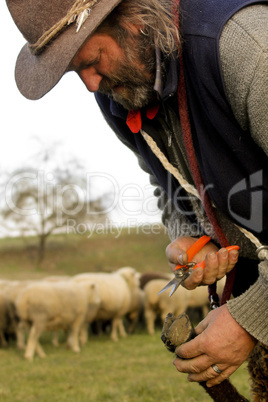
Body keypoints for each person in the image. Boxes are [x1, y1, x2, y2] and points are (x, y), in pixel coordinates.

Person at [6, 0, 268, 394]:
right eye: (76, 71)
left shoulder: (245, 48)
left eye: (92, 59)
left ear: (132, 20)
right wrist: (188, 234)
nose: (91, 84)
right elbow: (167, 183)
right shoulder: (120, 90)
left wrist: (252, 317)